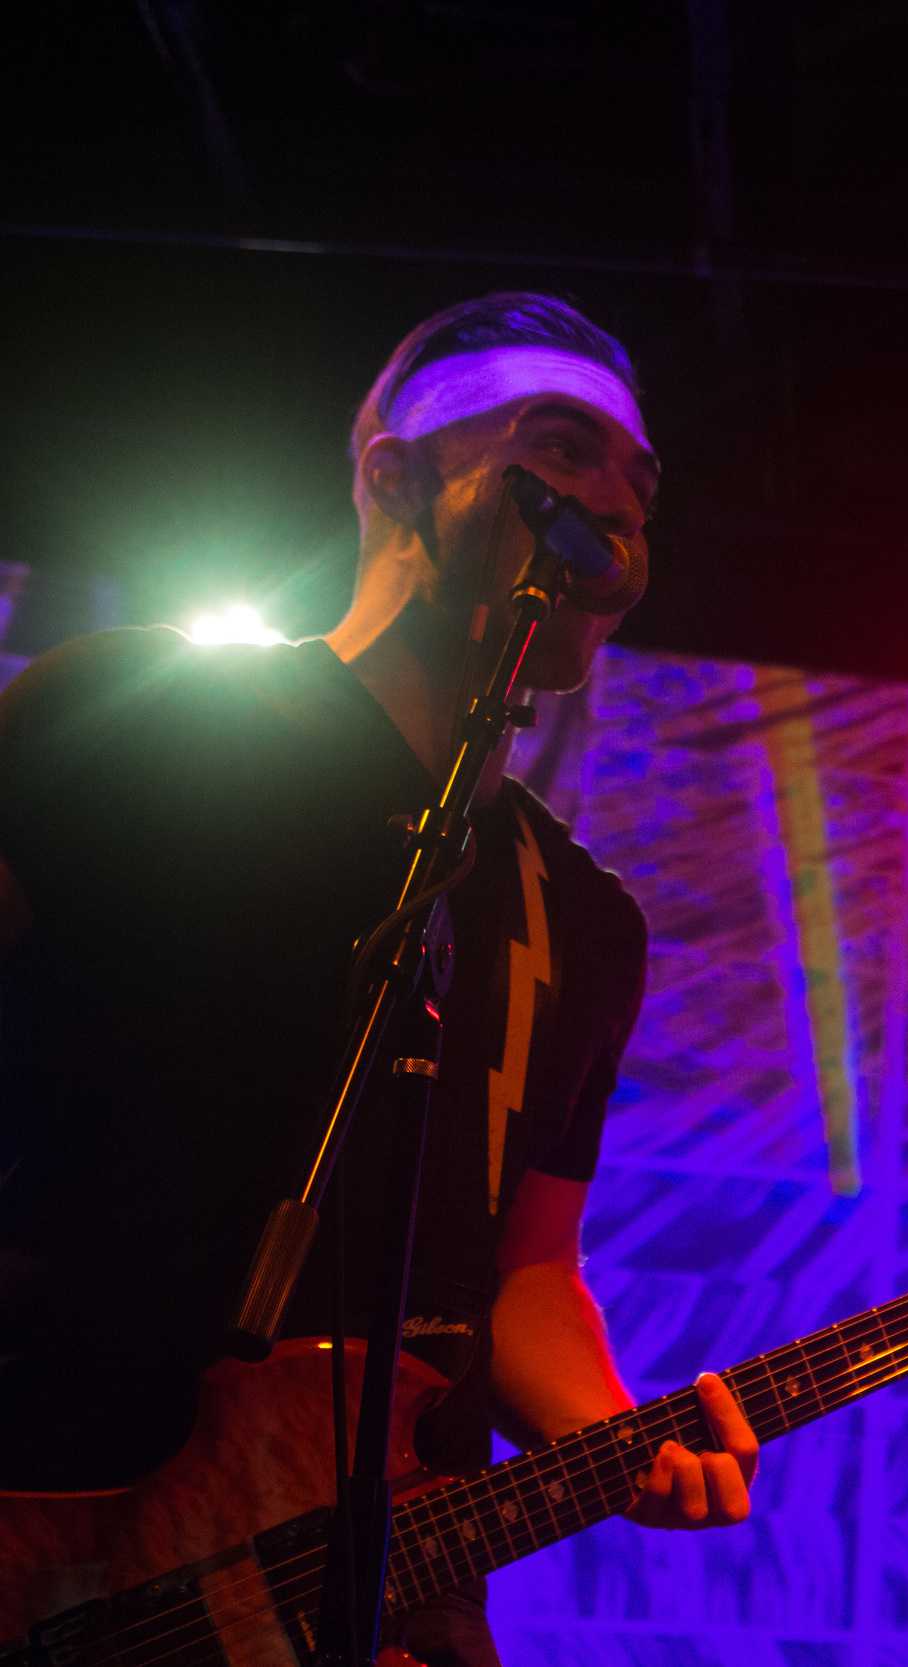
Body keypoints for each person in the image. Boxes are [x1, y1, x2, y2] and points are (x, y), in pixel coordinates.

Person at [0, 293, 759, 1665]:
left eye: (640, 481)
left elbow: (519, 1268)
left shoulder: (575, 918)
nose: (616, 500)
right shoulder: (133, 723)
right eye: (561, 445)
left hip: (377, 1588)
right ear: (393, 473)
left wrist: (612, 1440)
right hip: (55, 1532)